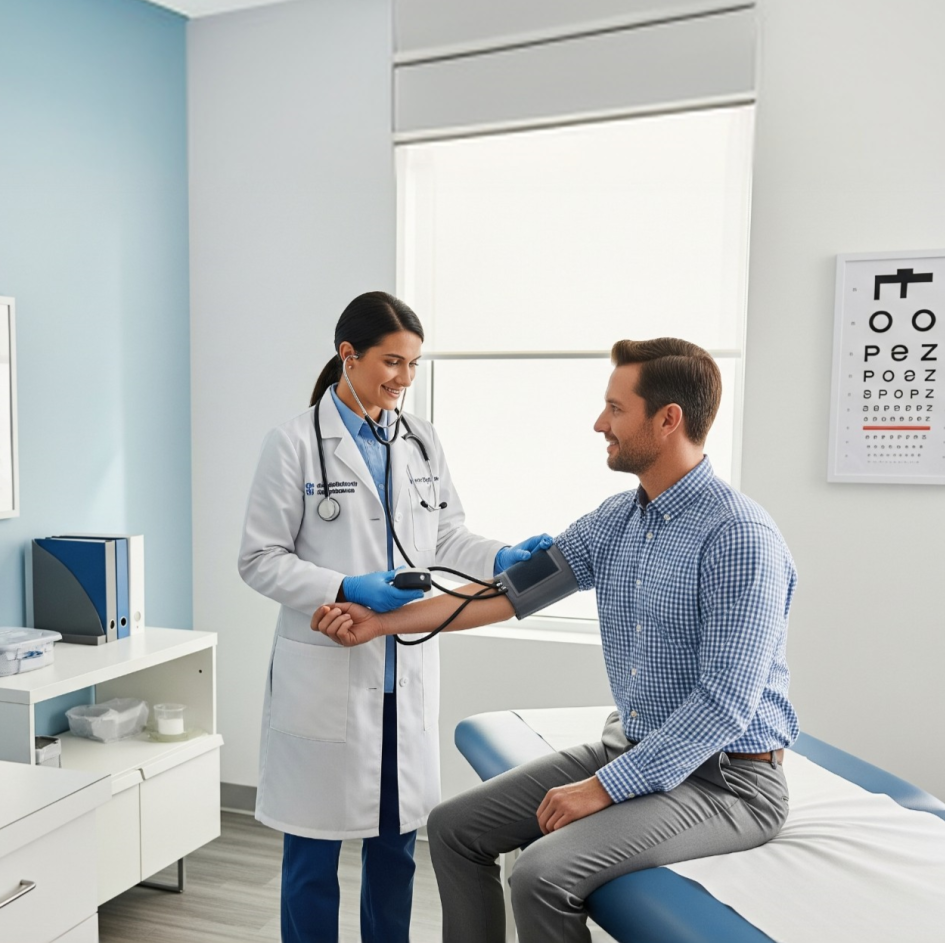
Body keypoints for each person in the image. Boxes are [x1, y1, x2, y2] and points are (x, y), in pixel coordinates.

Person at [311, 336, 799, 943]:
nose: (600, 424)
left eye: (616, 409)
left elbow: (724, 706)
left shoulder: (739, 538)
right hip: (634, 747)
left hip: (725, 780)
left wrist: (602, 788)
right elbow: (505, 593)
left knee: (541, 874)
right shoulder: (619, 519)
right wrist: (380, 623)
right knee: (455, 830)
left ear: (668, 419)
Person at [238, 290, 550, 943]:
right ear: (347, 355)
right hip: (324, 674)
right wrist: (345, 583)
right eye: (392, 362)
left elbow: (445, 537)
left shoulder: (419, 441)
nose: (404, 380)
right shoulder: (294, 444)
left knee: (395, 856)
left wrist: (505, 557)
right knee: (311, 863)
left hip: (400, 674)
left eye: (413, 366)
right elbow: (258, 559)